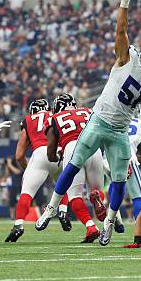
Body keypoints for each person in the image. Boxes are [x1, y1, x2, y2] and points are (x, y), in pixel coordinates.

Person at [35, 0, 141, 246]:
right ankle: (51, 207)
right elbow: (121, 31)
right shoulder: (125, 57)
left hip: (120, 131)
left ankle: (108, 223)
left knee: (118, 181)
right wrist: (125, 1)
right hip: (98, 121)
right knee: (72, 166)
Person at [4, 99, 70, 243]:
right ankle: (63, 211)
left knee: (26, 192)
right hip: (59, 153)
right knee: (62, 185)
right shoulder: (55, 115)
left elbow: (19, 155)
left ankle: (18, 225)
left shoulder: (28, 120)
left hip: (40, 153)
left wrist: (30, 170)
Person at [45, 93, 105, 243]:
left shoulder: (55, 118)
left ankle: (90, 226)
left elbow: (50, 153)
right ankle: (97, 198)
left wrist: (58, 156)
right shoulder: (88, 111)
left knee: (74, 195)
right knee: (97, 190)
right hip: (94, 148)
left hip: (73, 149)